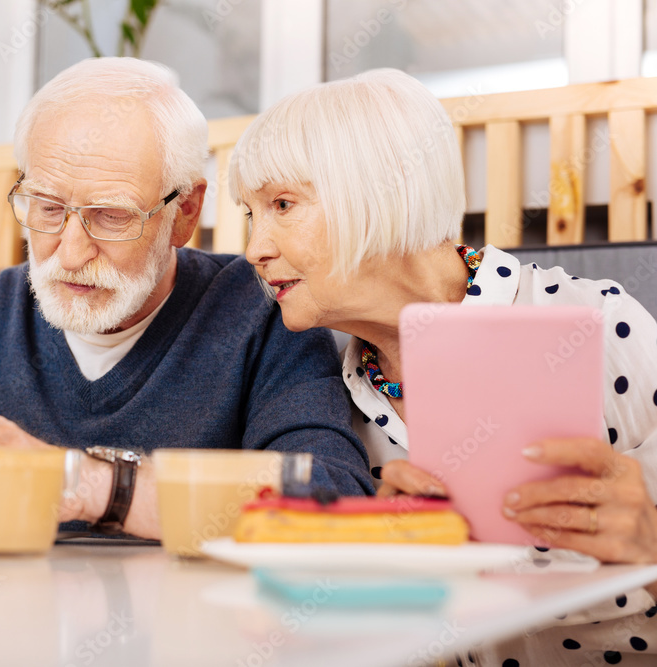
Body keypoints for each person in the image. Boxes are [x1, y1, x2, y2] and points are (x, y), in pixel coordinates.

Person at [231, 68, 657, 664]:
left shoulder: (601, 324)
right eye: (250, 214)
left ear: (384, 192)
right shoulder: (321, 391)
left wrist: (650, 541)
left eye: (282, 204)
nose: (255, 247)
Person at [0, 58, 372, 541]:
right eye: (47, 208)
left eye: (111, 216)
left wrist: (85, 482)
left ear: (184, 213)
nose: (70, 253)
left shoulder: (264, 311)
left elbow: (332, 498)